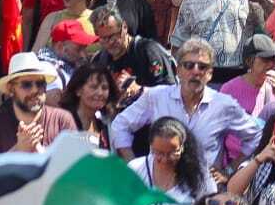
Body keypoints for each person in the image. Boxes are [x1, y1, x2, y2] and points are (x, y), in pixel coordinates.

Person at [112, 39, 264, 171]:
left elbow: (256, 135)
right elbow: (120, 125)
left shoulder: (223, 105)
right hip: (161, 190)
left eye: (202, 67)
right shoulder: (157, 97)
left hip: (205, 192)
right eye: (189, 65)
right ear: (178, 70)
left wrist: (230, 170)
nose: (195, 72)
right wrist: (135, 168)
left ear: (210, 73)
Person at [0, 53, 77, 155]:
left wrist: (41, 153)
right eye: (26, 84)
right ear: (11, 89)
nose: (35, 90)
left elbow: (76, 163)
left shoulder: (62, 120)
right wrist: (18, 150)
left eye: (40, 84)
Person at [59, 63, 117, 148]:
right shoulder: (63, 124)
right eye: (94, 87)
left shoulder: (104, 125)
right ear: (78, 90)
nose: (100, 93)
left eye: (104, 88)